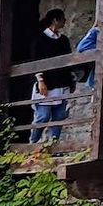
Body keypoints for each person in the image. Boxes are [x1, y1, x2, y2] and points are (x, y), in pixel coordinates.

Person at [29, 9, 74, 142]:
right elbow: (35, 61)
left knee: (59, 115)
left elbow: (68, 60)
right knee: (43, 116)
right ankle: (33, 142)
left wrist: (71, 80)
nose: (64, 21)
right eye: (62, 18)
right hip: (47, 83)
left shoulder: (64, 40)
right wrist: (40, 80)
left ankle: (54, 143)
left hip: (61, 82)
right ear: (55, 20)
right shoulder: (40, 39)